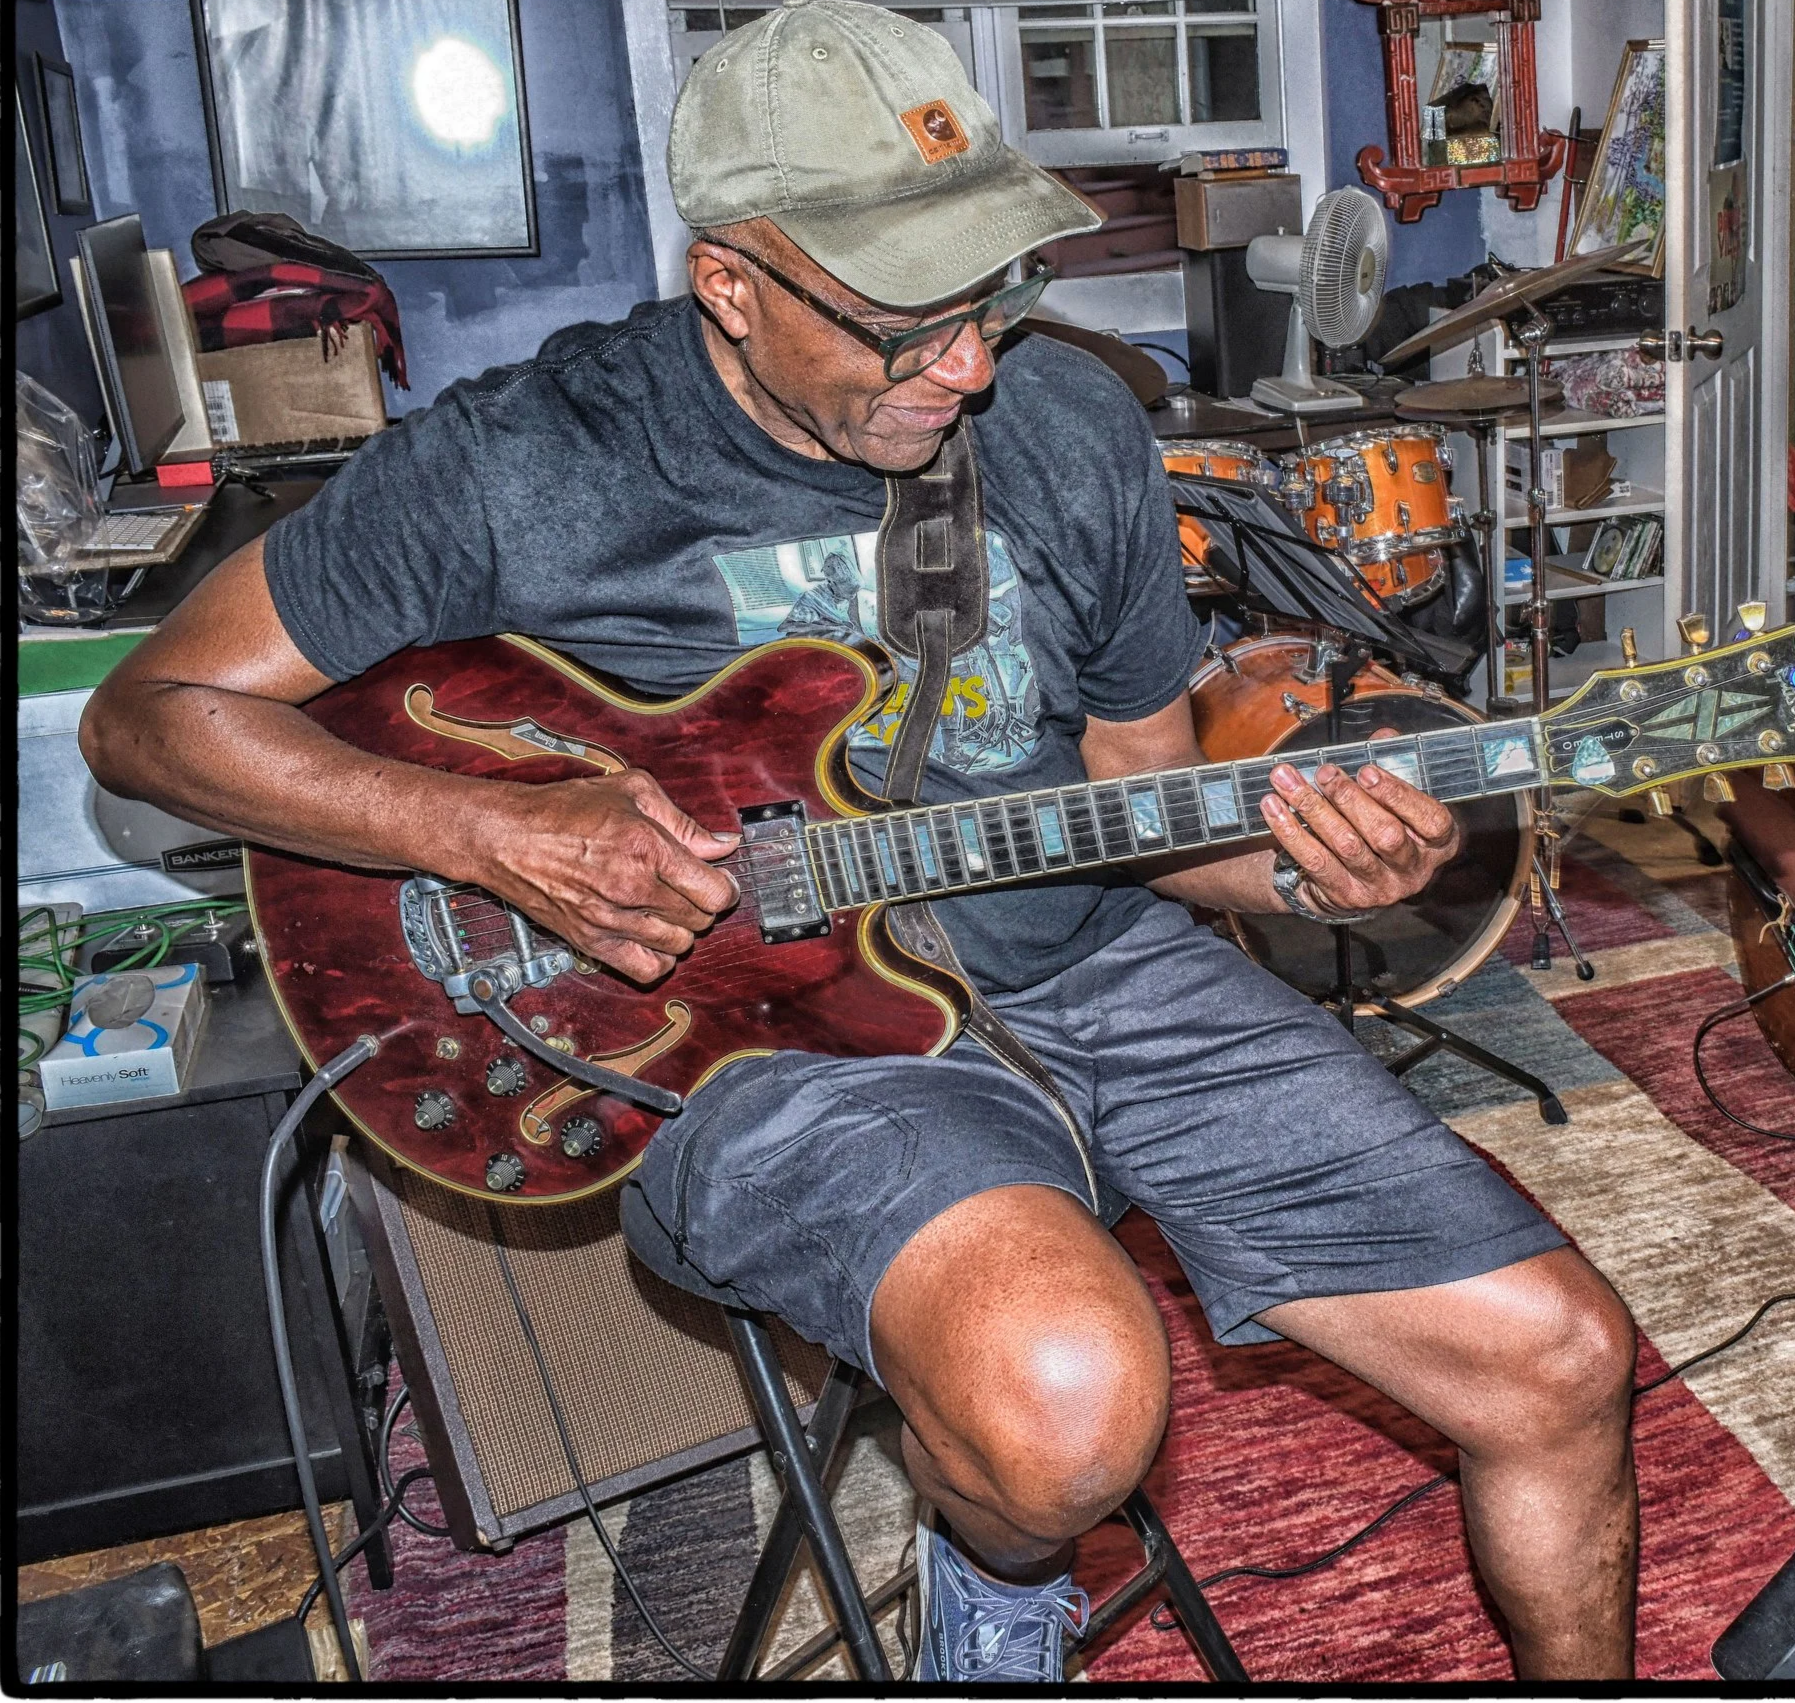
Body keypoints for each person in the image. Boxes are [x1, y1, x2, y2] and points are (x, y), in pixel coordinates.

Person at [80, 0, 1637, 1681]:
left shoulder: (1067, 427)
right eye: (908, 322)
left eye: (990, 297)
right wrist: (487, 826)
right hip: (747, 1034)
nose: (968, 363)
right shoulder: (528, 460)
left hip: (1082, 957)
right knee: (1064, 1403)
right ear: (733, 285)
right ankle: (998, 1589)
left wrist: (1320, 860)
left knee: (1560, 1356)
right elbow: (148, 722)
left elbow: (1150, 800)